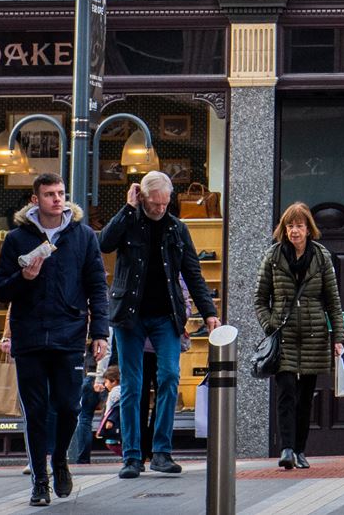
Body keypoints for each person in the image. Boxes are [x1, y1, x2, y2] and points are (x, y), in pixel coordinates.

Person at [0, 172, 111, 509]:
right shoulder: (17, 239)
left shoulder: (83, 236)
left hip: (69, 332)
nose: (57, 199)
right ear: (35, 200)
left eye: (60, 193)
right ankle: (39, 479)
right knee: (36, 410)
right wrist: (24, 277)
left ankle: (60, 458)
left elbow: (97, 287)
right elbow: (0, 289)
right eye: (49, 194)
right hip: (28, 334)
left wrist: (99, 331)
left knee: (70, 405)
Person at [100, 172, 217, 478]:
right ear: (142, 198)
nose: (160, 208)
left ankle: (162, 452)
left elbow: (193, 273)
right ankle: (132, 456)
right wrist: (127, 209)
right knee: (132, 385)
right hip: (130, 316)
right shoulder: (130, 221)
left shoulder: (177, 229)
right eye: (154, 203)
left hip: (166, 316)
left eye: (165, 203)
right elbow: (105, 242)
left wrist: (209, 313)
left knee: (168, 377)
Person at [252, 202, 344, 471]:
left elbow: (333, 301)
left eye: (299, 226)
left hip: (315, 335)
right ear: (284, 229)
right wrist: (270, 325)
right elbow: (260, 298)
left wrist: (338, 337)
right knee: (286, 391)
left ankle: (301, 449)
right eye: (290, 226)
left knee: (306, 396)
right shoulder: (273, 256)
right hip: (285, 335)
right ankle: (287, 448)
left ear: (308, 229)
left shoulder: (321, 257)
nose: (294, 231)